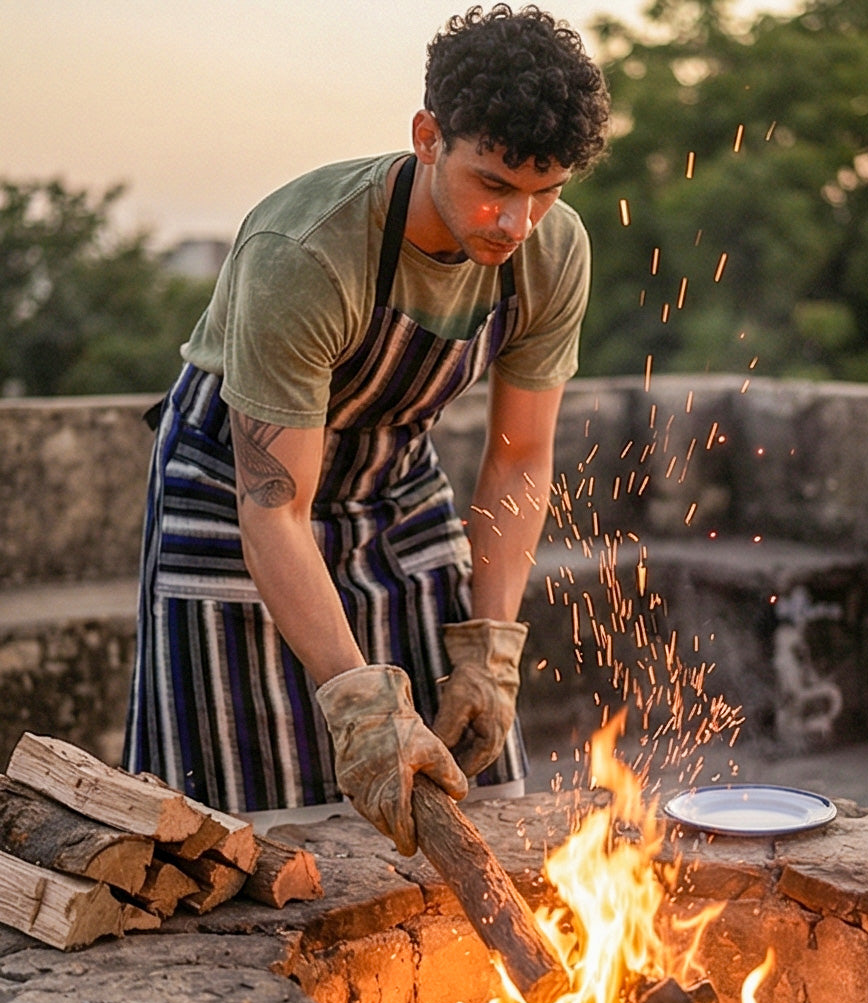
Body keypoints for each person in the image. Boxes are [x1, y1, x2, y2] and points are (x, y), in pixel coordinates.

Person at [123, 3, 610, 854]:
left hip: (392, 470)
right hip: (240, 476)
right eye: (493, 185)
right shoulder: (305, 250)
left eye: (543, 194)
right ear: (428, 136)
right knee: (249, 813)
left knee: (468, 765)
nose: (515, 223)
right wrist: (357, 702)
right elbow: (275, 509)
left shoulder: (553, 250)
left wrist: (492, 648)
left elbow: (522, 456)